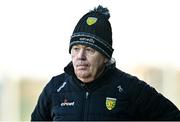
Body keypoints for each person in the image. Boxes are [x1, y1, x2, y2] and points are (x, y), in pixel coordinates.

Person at [31, 5, 180, 121]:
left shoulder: (129, 88)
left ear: (105, 57)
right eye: (76, 48)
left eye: (89, 49)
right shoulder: (55, 88)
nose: (80, 57)